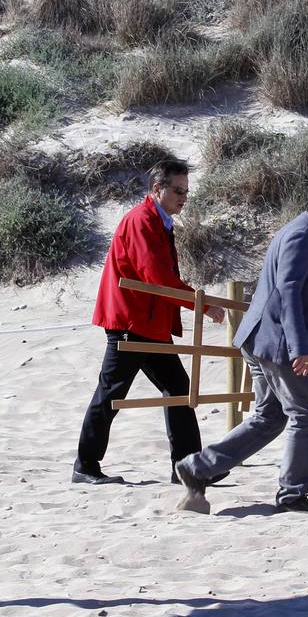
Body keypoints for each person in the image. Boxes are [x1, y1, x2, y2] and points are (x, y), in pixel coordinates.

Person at [174, 186, 308, 514]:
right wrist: (299, 346)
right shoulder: (301, 236)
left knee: (270, 416)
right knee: (307, 415)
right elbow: (288, 291)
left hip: (264, 340)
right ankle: (292, 495)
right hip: (277, 343)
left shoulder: (305, 233)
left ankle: (197, 469)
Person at [73, 159, 224, 485]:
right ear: (157, 189)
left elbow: (160, 279)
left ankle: (186, 467)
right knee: (111, 394)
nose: (184, 197)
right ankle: (85, 465)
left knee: (178, 390)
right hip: (131, 321)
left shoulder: (159, 220)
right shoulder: (142, 220)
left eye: (186, 191)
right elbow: (156, 278)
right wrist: (201, 304)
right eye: (178, 190)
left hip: (148, 323)